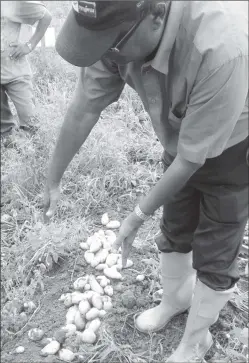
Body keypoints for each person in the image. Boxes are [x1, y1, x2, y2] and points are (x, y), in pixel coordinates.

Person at [44, 1, 248, 361]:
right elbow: (85, 105)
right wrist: (53, 178)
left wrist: (136, 215)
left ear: (156, 16)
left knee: (217, 245)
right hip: (180, 137)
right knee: (175, 223)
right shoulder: (119, 33)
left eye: (111, 44)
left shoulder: (220, 44)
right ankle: (175, 300)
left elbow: (191, 158)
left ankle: (195, 340)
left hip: (235, 146)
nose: (105, 54)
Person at [1, 1, 52, 141]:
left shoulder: (13, 3)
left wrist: (29, 45)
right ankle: (10, 145)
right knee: (4, 130)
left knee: (31, 123)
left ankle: (32, 149)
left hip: (16, 73)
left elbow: (46, 16)